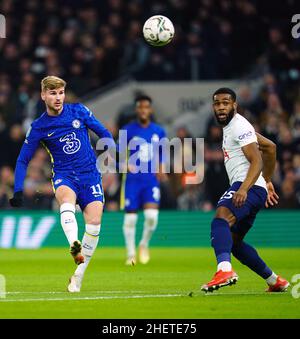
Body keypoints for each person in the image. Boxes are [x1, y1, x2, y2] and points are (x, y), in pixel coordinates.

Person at [10, 76, 115, 292]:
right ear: (43, 96)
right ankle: (74, 243)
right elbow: (23, 160)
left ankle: (77, 277)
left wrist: (112, 156)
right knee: (66, 200)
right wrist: (18, 189)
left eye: (60, 93)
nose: (58, 98)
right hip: (64, 175)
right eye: (52, 93)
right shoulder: (39, 126)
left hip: (90, 175)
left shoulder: (79, 111)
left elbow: (104, 133)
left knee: (94, 223)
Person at [201, 87, 289, 293]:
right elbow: (269, 147)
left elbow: (256, 159)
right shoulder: (236, 126)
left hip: (245, 186)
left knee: (221, 219)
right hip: (254, 187)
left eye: (225, 102)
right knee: (233, 242)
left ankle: (224, 270)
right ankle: (274, 280)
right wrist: (265, 181)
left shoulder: (238, 125)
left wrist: (245, 188)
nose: (221, 107)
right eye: (217, 103)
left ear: (234, 105)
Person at [120, 95, 167, 265]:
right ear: (136, 110)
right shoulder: (128, 130)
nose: (143, 110)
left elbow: (163, 152)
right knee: (131, 218)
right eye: (140, 107)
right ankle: (131, 253)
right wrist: (124, 163)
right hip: (132, 180)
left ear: (150, 110)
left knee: (152, 216)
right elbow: (117, 151)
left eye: (146, 107)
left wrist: (162, 166)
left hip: (150, 179)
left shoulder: (159, 131)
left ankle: (144, 244)